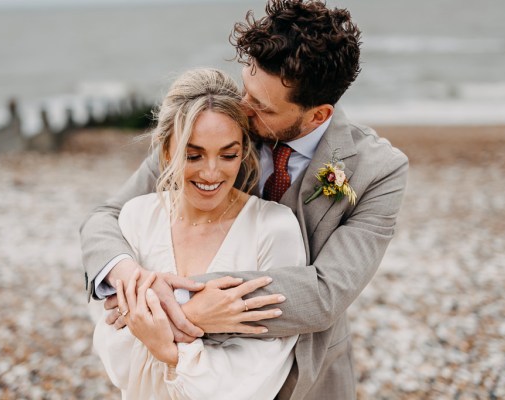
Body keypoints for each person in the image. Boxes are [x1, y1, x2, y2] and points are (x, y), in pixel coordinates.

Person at [81, 1, 409, 399]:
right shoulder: (217, 127)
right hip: (193, 373)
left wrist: (173, 303)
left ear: (318, 115)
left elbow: (326, 294)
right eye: (246, 88)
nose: (243, 108)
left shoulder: (379, 170)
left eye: (262, 106)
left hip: (308, 376)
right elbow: (106, 217)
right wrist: (126, 275)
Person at [92, 67, 307, 399]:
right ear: (166, 152)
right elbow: (113, 351)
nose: (210, 172)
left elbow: (261, 368)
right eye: (193, 155)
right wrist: (193, 320)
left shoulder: (275, 229)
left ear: (245, 152)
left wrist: (169, 350)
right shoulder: (137, 217)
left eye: (228, 154)